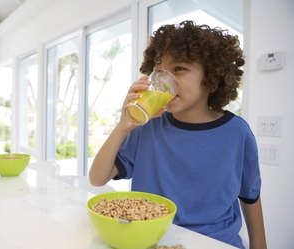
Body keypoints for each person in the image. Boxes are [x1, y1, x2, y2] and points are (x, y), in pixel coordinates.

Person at [89, 20, 267, 249]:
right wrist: (124, 124)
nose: (164, 79)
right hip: (153, 241)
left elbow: (250, 196)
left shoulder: (237, 133)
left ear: (211, 76)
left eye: (179, 69)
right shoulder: (146, 127)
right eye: (159, 70)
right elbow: (97, 178)